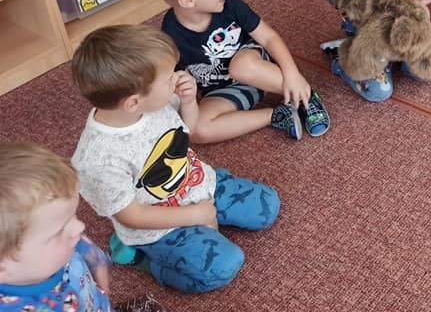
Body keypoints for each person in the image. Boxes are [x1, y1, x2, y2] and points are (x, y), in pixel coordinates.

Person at [71, 25, 281, 294]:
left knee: (267, 206)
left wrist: (189, 101)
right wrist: (194, 214)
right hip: (159, 227)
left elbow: (187, 131)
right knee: (223, 267)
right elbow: (132, 215)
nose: (177, 77)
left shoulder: (154, 101)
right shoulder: (97, 160)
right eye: (168, 77)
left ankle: (209, 208)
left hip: (196, 184)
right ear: (133, 102)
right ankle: (142, 258)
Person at [153, 0, 329, 142]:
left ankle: (306, 96)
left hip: (255, 67)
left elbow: (269, 37)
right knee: (197, 130)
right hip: (223, 90)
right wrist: (186, 97)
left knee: (240, 66)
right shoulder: (170, 35)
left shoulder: (229, 4)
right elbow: (176, 81)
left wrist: (292, 73)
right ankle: (277, 115)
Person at [0, 142, 112, 312]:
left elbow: (84, 247)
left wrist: (96, 260)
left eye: (73, 215)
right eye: (60, 231)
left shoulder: (63, 243)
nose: (79, 227)